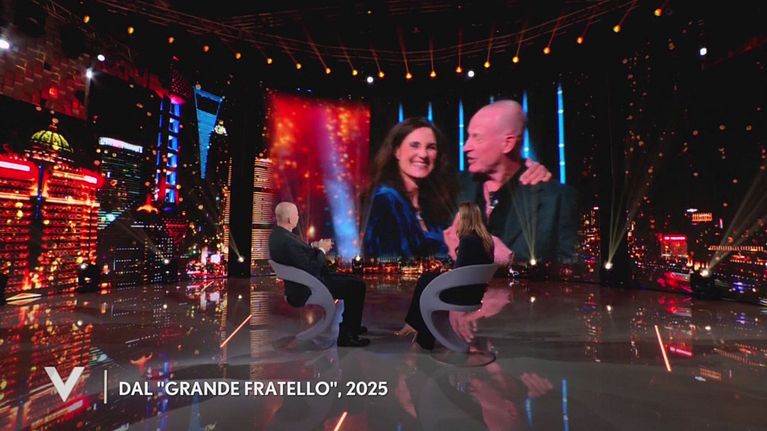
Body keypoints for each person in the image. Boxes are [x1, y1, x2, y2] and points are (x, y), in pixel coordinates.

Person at [363, 117, 554, 261]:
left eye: (431, 147)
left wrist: (528, 168)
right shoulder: (386, 199)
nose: (423, 154)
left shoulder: (437, 198)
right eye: (414, 145)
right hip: (401, 299)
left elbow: (497, 171)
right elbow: (387, 264)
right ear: (396, 151)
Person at [446, 100, 577, 266]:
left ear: (507, 143)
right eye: (468, 136)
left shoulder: (556, 198)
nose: (466, 147)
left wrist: (512, 261)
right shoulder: (452, 187)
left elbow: (571, 269)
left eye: (476, 138)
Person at [269, 202, 370, 347]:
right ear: (290, 219)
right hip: (309, 285)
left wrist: (314, 246)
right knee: (356, 286)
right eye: (296, 214)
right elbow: (312, 267)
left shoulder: (279, 235)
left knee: (355, 280)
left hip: (309, 280)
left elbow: (298, 256)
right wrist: (322, 250)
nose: (298, 217)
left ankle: (352, 326)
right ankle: (347, 335)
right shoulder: (286, 240)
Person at [397, 202, 494, 350]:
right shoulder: (485, 240)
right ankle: (419, 332)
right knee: (428, 279)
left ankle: (414, 326)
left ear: (465, 219)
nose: (456, 222)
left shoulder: (468, 240)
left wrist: (445, 273)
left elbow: (459, 273)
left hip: (461, 295)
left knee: (425, 280)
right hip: (474, 293)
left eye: (459, 217)